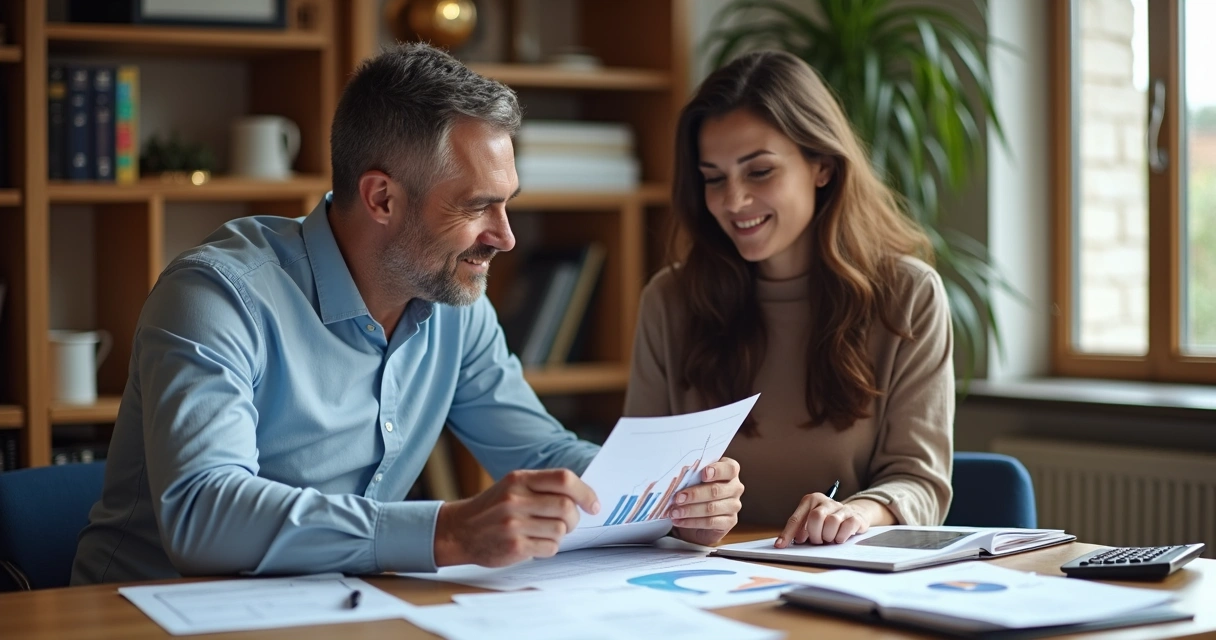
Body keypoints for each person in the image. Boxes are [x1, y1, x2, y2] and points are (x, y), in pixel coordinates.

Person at [72, 43, 743, 585]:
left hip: (336, 611)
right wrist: (445, 531)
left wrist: (666, 500)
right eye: (478, 205)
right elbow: (202, 513)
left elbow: (543, 454)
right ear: (382, 199)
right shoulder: (217, 295)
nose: (505, 236)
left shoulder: (454, 301)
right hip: (144, 615)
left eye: (507, 203)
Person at [623, 50, 953, 549]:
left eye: (759, 172)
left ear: (821, 165)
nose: (733, 201)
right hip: (701, 580)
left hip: (839, 576)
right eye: (713, 178)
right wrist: (683, 517)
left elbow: (920, 481)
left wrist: (855, 514)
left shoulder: (907, 295)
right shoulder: (670, 300)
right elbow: (640, 484)